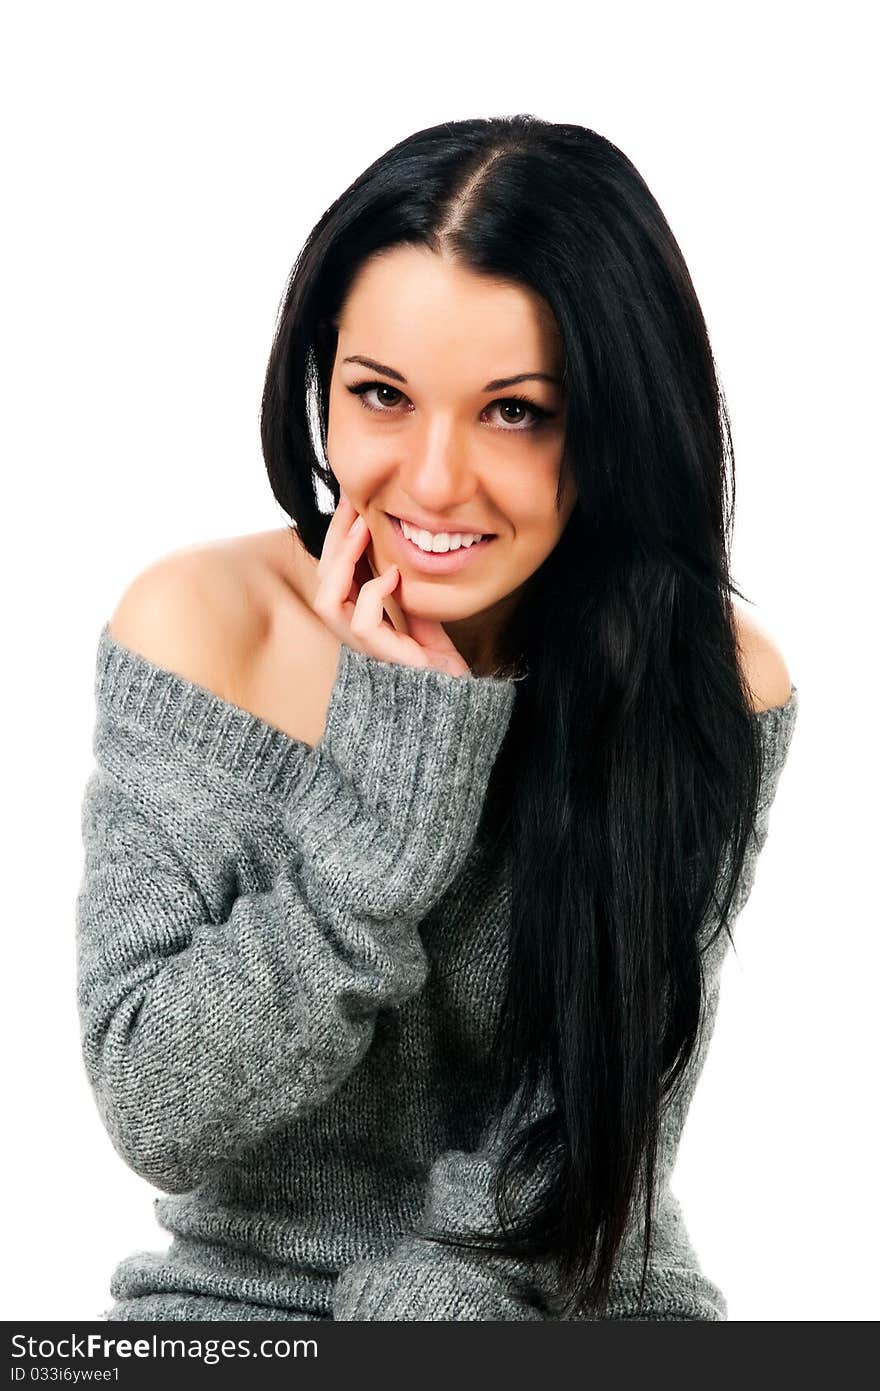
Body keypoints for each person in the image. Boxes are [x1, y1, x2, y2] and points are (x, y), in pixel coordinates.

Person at [76, 113, 798, 1322]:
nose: (433, 479)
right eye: (381, 396)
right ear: (322, 385)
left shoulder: (707, 677)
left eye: (515, 410)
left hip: (570, 1292)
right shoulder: (202, 631)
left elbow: (588, 1145)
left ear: (610, 423)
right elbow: (158, 1108)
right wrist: (383, 826)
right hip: (237, 1308)